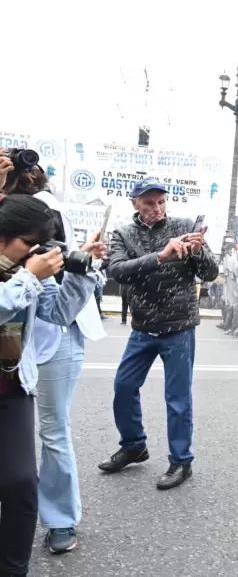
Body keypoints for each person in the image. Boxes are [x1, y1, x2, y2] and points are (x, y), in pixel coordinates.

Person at [0, 188, 101, 575]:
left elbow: (59, 312)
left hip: (11, 389)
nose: (35, 252)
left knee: (22, 484)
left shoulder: (30, 266)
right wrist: (27, 275)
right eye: (28, 243)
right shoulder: (27, 271)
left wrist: (81, 270)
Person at [99, 177, 218, 490]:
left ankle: (181, 461)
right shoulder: (123, 233)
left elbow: (211, 273)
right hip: (143, 326)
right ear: (135, 203)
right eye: (149, 203)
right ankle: (134, 445)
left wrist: (197, 251)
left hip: (178, 326)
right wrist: (161, 256)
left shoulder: (184, 225)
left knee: (177, 398)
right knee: (123, 386)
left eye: (161, 201)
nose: (157, 208)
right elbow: (116, 271)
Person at [27, 190, 107, 555]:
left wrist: (83, 265)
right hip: (8, 339)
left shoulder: (50, 210)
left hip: (54, 340)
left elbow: (59, 309)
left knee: (54, 430)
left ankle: (60, 519)